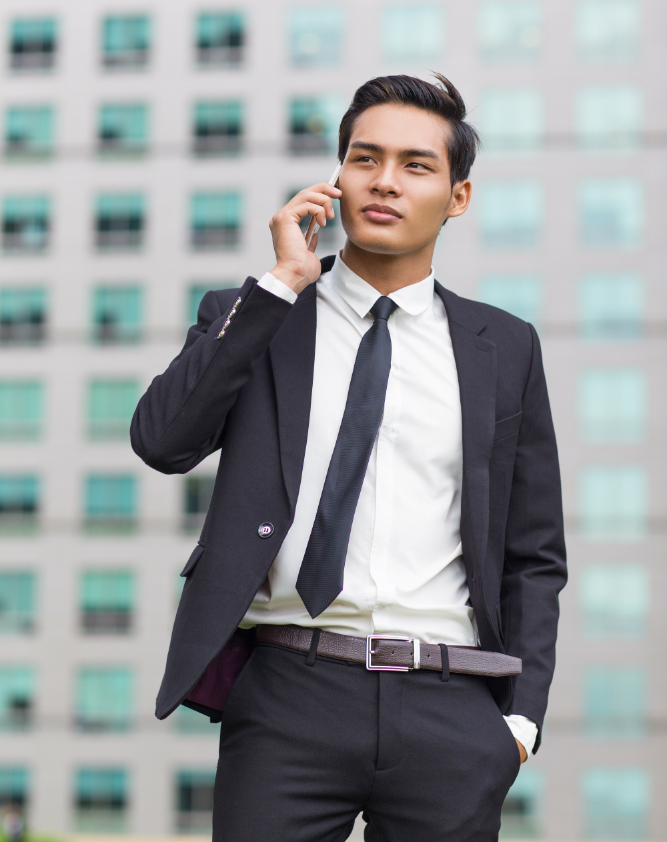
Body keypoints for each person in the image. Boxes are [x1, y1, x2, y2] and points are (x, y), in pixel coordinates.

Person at [132, 74, 567, 842]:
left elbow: (531, 553)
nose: (385, 182)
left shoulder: (503, 347)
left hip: (452, 703)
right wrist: (276, 289)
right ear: (336, 179)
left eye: (415, 165)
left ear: (456, 197)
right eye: (364, 159)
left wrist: (521, 719)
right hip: (288, 696)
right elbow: (163, 442)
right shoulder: (262, 316)